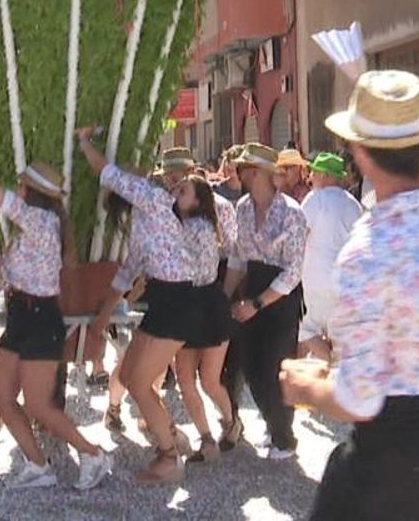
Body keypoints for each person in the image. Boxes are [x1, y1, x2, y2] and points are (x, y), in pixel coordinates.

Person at [280, 70, 419, 520]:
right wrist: (388, 116)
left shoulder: (368, 251)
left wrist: (307, 387)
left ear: (358, 153)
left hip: (391, 458)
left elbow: (359, 398)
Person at [0, 160, 113, 491]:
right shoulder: (34, 226)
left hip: (39, 317)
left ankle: (93, 454)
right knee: (1, 395)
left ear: (32, 192)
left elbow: (6, 202)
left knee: (38, 405)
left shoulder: (43, 221)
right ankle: (37, 464)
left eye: (22, 185)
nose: (17, 189)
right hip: (22, 314)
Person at [81, 130, 212, 483]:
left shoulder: (153, 199)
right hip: (166, 301)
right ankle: (170, 435)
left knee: (139, 383)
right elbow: (128, 271)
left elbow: (108, 173)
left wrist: (84, 142)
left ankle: (170, 456)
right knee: (127, 376)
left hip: (178, 302)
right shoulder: (143, 219)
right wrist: (103, 317)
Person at [223, 142, 308, 461]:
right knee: (251, 365)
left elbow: (293, 271)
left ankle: (284, 437)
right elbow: (238, 258)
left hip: (281, 297)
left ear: (261, 173)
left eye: (246, 168)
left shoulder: (292, 213)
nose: (241, 173)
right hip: (253, 286)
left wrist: (257, 304)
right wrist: (225, 295)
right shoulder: (243, 208)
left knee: (275, 366)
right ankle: (274, 425)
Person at [174, 163, 239, 465]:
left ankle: (224, 426)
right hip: (196, 303)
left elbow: (194, 271)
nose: (177, 194)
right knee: (194, 379)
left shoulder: (196, 228)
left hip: (202, 304)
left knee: (203, 379)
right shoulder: (189, 226)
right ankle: (213, 433)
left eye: (183, 191)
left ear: (197, 199)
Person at [297, 152, 363, 361]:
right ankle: (337, 366)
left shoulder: (315, 199)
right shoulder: (353, 203)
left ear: (324, 175)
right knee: (339, 335)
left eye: (314, 172)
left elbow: (299, 235)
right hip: (346, 280)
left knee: (307, 329)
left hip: (317, 278)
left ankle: (331, 364)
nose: (311, 177)